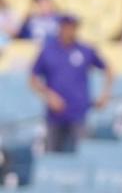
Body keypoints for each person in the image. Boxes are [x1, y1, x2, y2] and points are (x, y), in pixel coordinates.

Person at [29, 14, 112, 153]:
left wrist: (105, 94)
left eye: (73, 27)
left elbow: (108, 70)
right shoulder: (48, 50)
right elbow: (33, 78)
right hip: (55, 115)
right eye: (67, 27)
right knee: (52, 154)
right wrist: (49, 96)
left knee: (84, 152)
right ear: (61, 28)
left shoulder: (85, 50)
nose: (70, 30)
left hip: (79, 112)